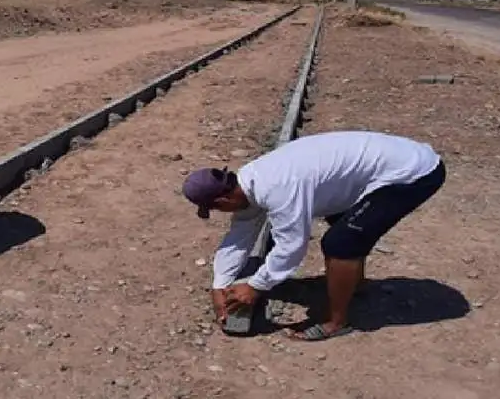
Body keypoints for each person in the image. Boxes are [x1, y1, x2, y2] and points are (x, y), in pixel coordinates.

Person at [181, 130, 446, 341]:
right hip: (390, 164)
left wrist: (255, 286)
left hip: (413, 173)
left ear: (223, 198)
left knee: (340, 243)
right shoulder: (249, 182)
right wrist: (220, 284)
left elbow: (292, 248)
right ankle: (356, 284)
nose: (217, 212)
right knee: (343, 222)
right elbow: (238, 239)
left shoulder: (277, 188)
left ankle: (336, 322)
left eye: (214, 208)